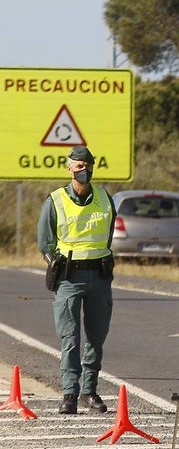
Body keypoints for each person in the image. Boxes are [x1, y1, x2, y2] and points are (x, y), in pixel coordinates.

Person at [36, 145, 116, 415]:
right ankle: (69, 394)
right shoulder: (55, 200)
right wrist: (54, 264)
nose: (84, 170)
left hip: (100, 276)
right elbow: (45, 243)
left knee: (96, 337)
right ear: (69, 168)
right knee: (70, 337)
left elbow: (108, 235)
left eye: (88, 165)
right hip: (69, 277)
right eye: (79, 166)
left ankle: (89, 392)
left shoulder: (106, 199)